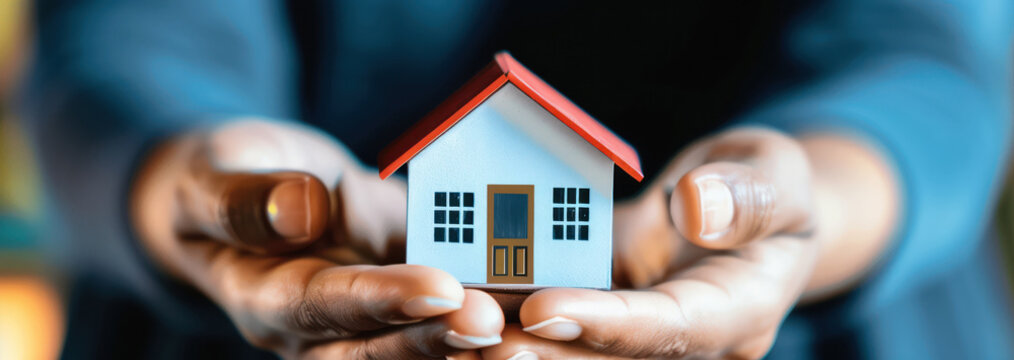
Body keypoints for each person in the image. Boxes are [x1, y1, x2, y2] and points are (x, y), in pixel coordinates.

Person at [22, 0, 1013, 358]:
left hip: (837, 316)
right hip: (238, 320)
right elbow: (121, 34)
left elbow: (928, 49)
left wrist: (817, 192)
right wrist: (181, 170)